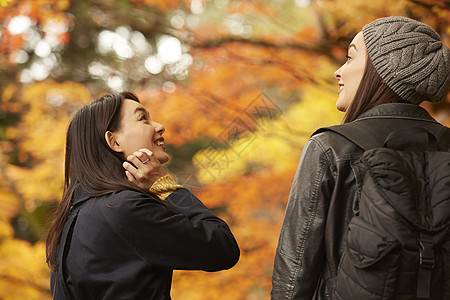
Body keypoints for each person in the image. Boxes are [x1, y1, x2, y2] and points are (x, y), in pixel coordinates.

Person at [271, 16, 450, 299]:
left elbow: (294, 274)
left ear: (381, 70)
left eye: (350, 58)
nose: (338, 72)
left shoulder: (331, 146)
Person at [46, 91, 240, 299]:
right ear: (114, 142)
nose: (159, 126)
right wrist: (164, 186)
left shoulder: (70, 221)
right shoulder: (125, 208)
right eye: (143, 118)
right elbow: (222, 248)